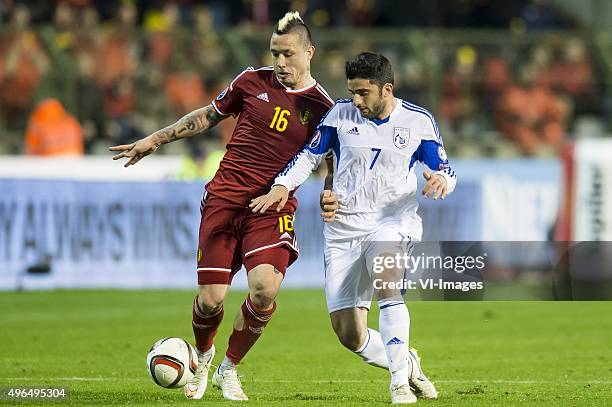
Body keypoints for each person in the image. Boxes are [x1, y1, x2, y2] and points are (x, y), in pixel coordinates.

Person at [110, 12, 334, 401]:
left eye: (288, 54)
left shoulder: (322, 107)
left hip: (272, 206)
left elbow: (328, 159)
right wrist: (157, 139)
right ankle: (203, 356)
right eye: (275, 53)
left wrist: (329, 191)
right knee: (210, 300)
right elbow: (208, 116)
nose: (280, 63)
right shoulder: (251, 81)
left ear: (309, 52)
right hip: (224, 199)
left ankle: (229, 368)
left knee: (264, 290)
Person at [251, 52, 457, 404]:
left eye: (363, 93)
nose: (355, 100)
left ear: (386, 89)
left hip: (393, 222)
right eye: (352, 92)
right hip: (344, 229)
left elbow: (446, 170)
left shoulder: (417, 121)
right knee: (350, 335)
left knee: (388, 284)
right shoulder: (340, 115)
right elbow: (308, 157)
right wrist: (284, 185)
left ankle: (399, 386)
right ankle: (407, 363)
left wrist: (441, 180)